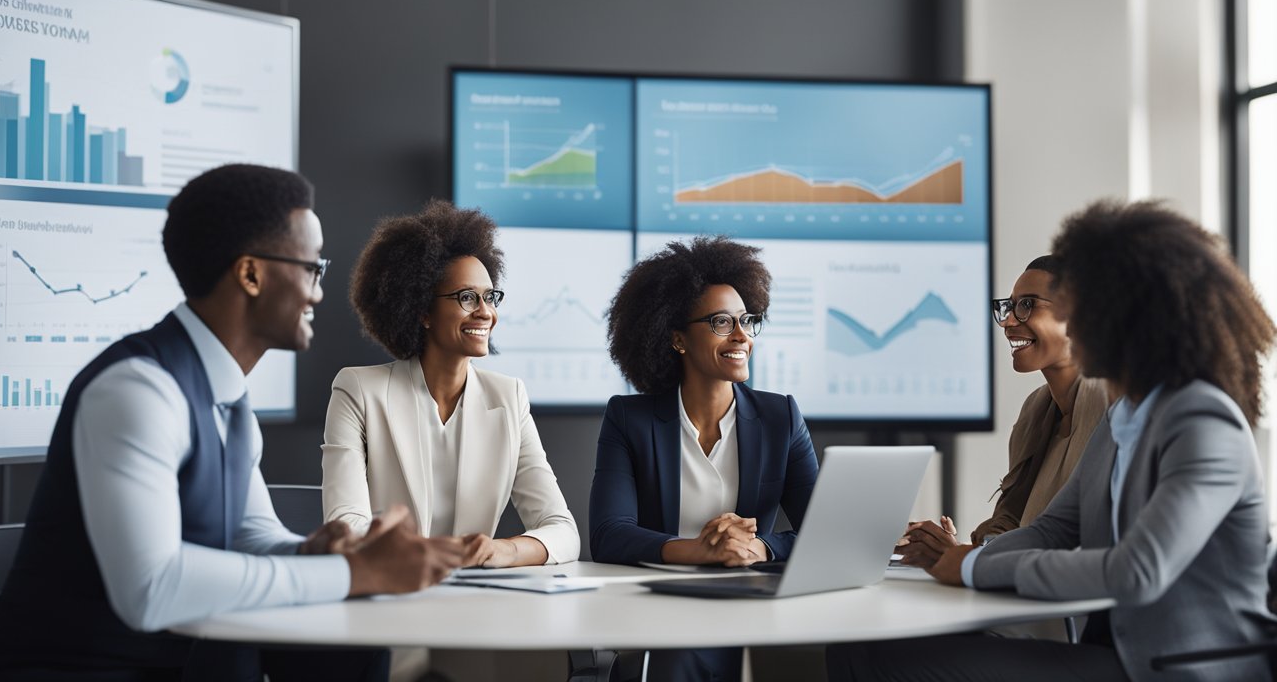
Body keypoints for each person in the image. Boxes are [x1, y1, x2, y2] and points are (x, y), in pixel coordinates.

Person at [0, 165, 465, 682]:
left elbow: (250, 533)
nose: (318, 292)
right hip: (61, 671)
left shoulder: (228, 396)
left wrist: (316, 551)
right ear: (251, 274)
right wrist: (352, 572)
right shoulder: (137, 391)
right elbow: (150, 589)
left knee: (355, 652)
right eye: (313, 268)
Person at [828, 199, 1277, 681]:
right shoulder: (1121, 420)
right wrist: (961, 559)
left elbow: (1138, 572)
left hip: (1185, 668)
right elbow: (1051, 530)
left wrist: (973, 568)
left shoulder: (1202, 421)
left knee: (898, 663)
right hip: (1116, 655)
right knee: (860, 652)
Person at [590, 236, 819, 682]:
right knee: (684, 658)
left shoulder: (780, 417)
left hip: (751, 604)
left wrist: (759, 547)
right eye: (721, 323)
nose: (741, 336)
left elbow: (823, 530)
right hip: (661, 606)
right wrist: (700, 550)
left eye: (748, 321)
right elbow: (609, 534)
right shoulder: (629, 419)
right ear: (677, 338)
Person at [322, 200, 578, 568]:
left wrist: (503, 550)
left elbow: (563, 531)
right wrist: (426, 555)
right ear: (423, 310)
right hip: (388, 594)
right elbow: (346, 524)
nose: (486, 312)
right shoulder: (359, 391)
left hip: (475, 601)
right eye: (467, 297)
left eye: (490, 297)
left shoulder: (508, 397)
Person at [897, 256, 1111, 567]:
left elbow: (1080, 542)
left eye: (1027, 305)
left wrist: (968, 558)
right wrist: (958, 551)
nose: (1009, 322)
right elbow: (1015, 527)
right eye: (1008, 308)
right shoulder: (1035, 411)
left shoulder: (1113, 406)